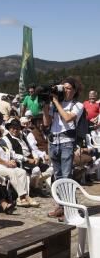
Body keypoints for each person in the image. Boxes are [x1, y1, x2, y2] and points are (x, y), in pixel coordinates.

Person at [43, 77, 85, 218]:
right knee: (58, 176)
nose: (65, 90)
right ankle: (62, 206)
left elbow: (67, 118)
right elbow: (46, 123)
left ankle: (70, 208)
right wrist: (45, 105)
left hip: (67, 142)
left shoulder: (78, 105)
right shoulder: (56, 104)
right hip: (53, 141)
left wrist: (55, 102)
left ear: (74, 91)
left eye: (68, 88)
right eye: (63, 87)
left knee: (67, 176)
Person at [0, 122, 39, 207]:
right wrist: (7, 163)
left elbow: (11, 154)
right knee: (12, 173)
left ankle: (20, 198)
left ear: (0, 133)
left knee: (22, 172)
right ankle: (25, 196)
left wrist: (12, 160)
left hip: (6, 165)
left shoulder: (2, 142)